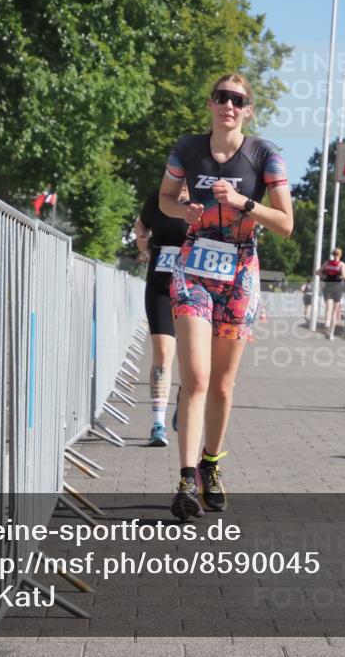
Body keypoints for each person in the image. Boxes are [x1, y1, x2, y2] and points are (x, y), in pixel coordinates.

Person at [158, 73, 293, 519]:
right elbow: (164, 200)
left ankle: (210, 463)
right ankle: (185, 479)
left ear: (248, 109)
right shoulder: (188, 149)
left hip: (240, 272)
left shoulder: (264, 155)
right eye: (221, 98)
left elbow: (286, 223)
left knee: (222, 383)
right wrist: (185, 208)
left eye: (238, 100)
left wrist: (242, 202)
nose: (228, 106)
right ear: (210, 103)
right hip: (194, 267)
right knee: (195, 377)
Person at [134, 185, 190, 447]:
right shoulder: (157, 198)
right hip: (160, 285)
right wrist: (142, 245)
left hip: (194, 290)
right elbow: (141, 225)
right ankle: (158, 423)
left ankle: (186, 396)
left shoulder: (205, 200)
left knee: (191, 359)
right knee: (163, 354)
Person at [316, 248, 345, 340]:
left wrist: (326, 277)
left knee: (328, 308)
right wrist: (339, 275)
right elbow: (344, 276)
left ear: (333, 254)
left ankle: (326, 325)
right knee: (334, 311)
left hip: (328, 286)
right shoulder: (342, 264)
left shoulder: (327, 263)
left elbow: (317, 272)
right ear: (340, 255)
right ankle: (331, 332)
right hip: (337, 287)